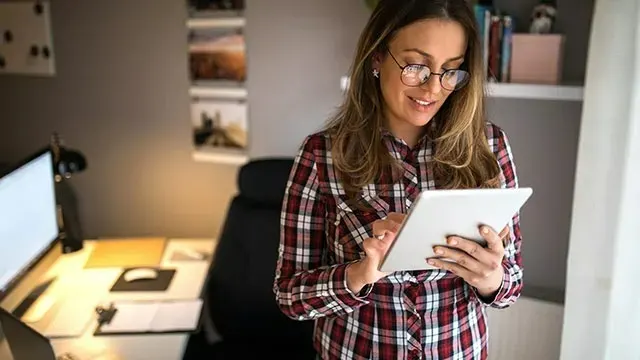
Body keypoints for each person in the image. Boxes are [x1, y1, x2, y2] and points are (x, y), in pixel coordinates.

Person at [273, 1, 523, 359]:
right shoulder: (321, 155)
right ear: (377, 57)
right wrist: (358, 274)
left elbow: (511, 285)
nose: (433, 88)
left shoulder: (490, 147)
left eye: (450, 71)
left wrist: (491, 279)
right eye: (416, 66)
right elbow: (289, 296)